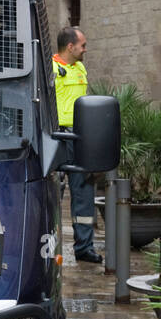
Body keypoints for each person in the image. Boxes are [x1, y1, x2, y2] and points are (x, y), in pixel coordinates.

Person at [53, 26, 101, 263]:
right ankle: (49, 245)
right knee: (53, 191)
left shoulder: (80, 67)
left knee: (83, 191)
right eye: (83, 45)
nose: (85, 49)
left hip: (80, 136)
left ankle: (84, 247)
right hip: (57, 137)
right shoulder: (50, 69)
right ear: (70, 47)